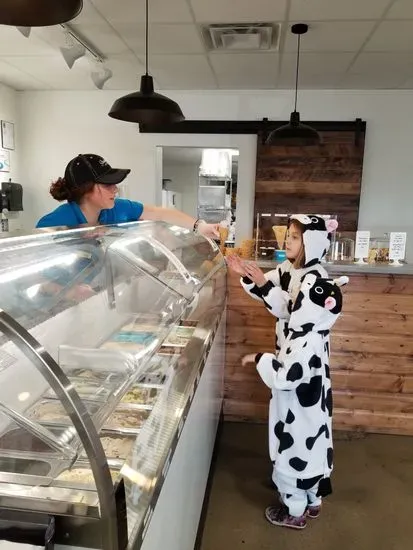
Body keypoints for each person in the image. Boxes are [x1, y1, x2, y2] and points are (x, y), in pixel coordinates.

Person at [226, 215, 338, 480]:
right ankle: (301, 481)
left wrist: (263, 285)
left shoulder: (316, 278)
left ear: (312, 242)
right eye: (288, 235)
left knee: (304, 420)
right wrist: (249, 277)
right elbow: (266, 288)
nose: (287, 241)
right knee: (290, 415)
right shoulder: (288, 268)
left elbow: (294, 310)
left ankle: (302, 480)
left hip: (305, 357)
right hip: (287, 350)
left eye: (295, 237)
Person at [242, 273, 349, 529]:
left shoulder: (303, 340)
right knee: (314, 456)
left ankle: (295, 513)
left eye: (300, 298)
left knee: (294, 459)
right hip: (315, 414)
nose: (296, 302)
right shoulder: (317, 333)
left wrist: (260, 359)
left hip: (297, 416)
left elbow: (284, 378)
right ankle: (314, 502)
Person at [36, 153, 219, 239]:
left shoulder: (117, 208)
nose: (115, 189)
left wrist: (200, 226)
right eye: (108, 184)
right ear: (87, 188)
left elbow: (161, 213)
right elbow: (35, 272)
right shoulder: (53, 224)